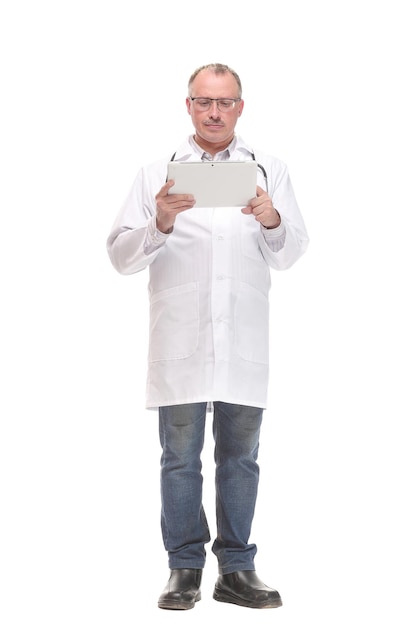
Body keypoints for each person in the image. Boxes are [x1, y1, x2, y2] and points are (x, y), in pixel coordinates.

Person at [107, 62, 309, 610]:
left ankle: (237, 570)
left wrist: (271, 219)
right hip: (181, 343)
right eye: (203, 101)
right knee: (180, 457)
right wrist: (161, 222)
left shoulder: (270, 170)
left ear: (240, 107)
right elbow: (119, 256)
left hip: (243, 339)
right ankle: (184, 569)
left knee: (241, 457)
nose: (214, 112)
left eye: (224, 102)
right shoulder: (157, 174)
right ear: (189, 106)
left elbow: (291, 254)